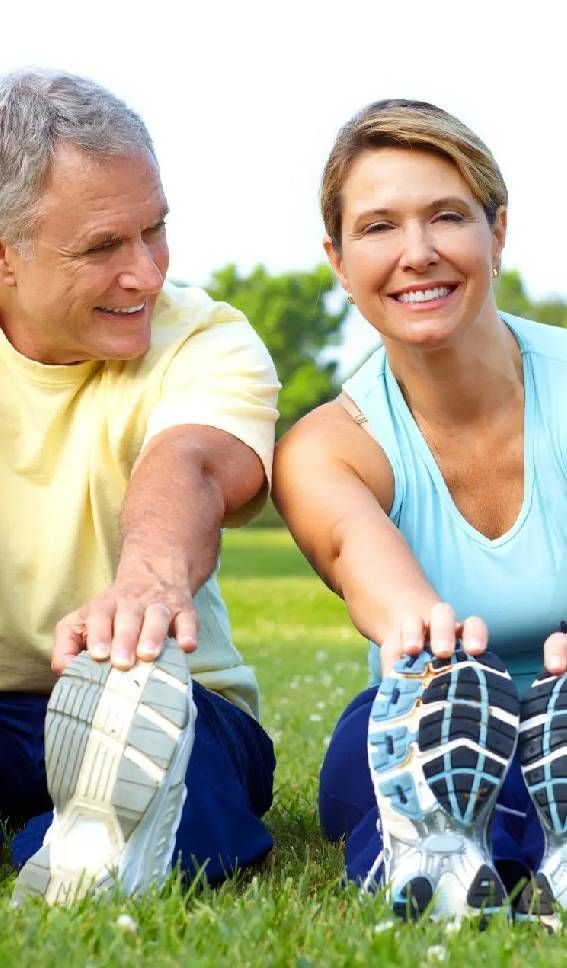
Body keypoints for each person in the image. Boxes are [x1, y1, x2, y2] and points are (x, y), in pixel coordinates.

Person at [273, 99, 567, 925]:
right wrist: (429, 642)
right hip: (420, 710)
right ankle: (446, 843)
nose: (417, 253)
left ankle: (504, 839)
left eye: (446, 216)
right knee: (388, 741)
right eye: (377, 228)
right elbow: (378, 581)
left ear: (496, 230)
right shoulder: (327, 448)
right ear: (336, 258)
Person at [0, 69, 279, 905]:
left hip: (172, 706)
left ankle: (88, 835)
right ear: (5, 258)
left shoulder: (206, 337)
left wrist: (148, 580)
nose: (147, 275)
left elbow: (189, 461)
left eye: (154, 232)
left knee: (181, 790)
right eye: (103, 248)